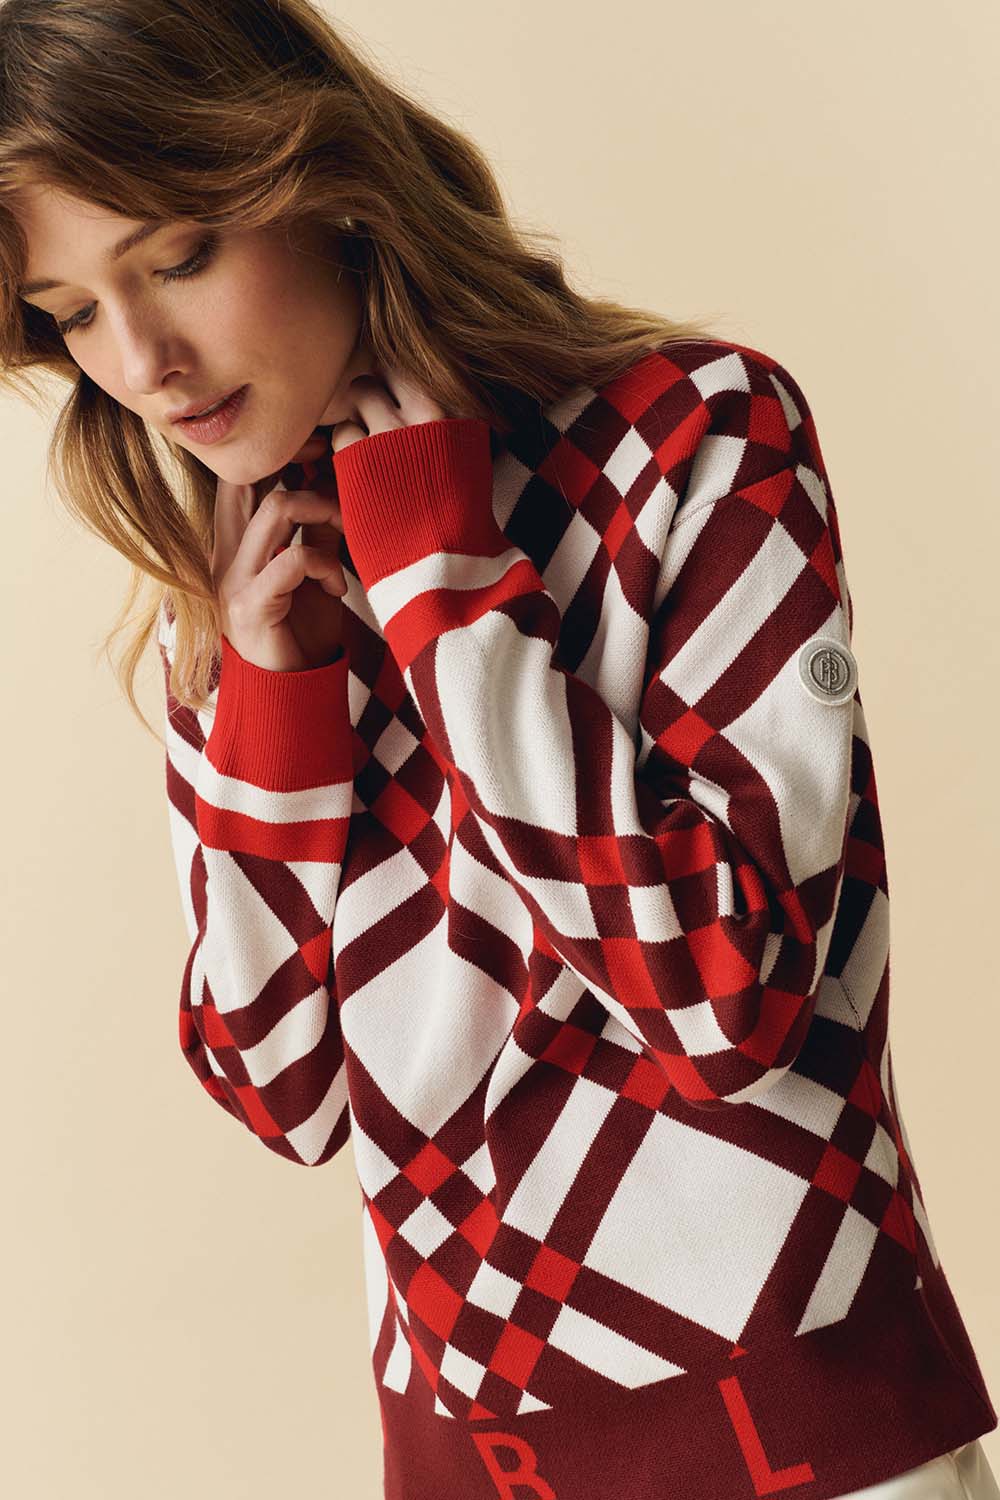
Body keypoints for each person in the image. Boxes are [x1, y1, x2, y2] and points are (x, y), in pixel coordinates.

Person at [1, 1, 996, 1496]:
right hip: (475, 1455)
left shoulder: (698, 438)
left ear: (326, 185)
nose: (141, 361)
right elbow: (284, 1095)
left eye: (180, 256)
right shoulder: (250, 564)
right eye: (72, 312)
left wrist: (451, 601)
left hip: (808, 1427)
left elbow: (726, 1005)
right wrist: (273, 704)